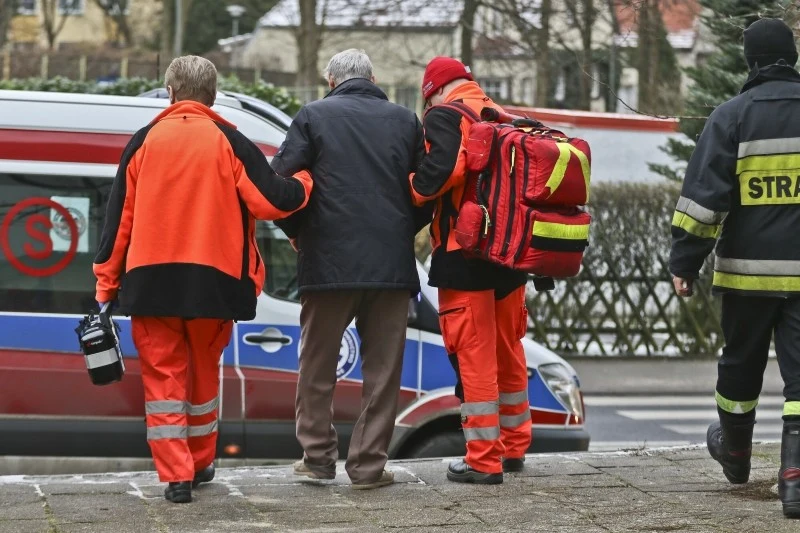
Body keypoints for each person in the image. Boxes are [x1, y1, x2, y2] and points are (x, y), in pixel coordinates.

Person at [93, 55, 312, 504]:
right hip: (215, 284)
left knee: (163, 381)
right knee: (203, 377)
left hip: (150, 284)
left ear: (170, 93)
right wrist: (307, 180)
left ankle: (176, 476)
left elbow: (118, 224)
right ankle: (199, 461)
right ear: (212, 97)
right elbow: (273, 201)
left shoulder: (143, 141)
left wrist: (105, 286)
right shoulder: (229, 140)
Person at [270, 49, 428, 490]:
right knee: (383, 372)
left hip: (327, 264)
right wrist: (402, 230)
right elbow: (426, 190)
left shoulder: (312, 116)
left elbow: (279, 185)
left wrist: (298, 232)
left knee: (317, 365)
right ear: (373, 79)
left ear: (330, 80)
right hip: (390, 267)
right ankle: (369, 467)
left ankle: (318, 458)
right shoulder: (406, 120)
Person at [669, 18, 800, 519]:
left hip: (747, 277)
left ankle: (736, 453)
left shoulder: (731, 116)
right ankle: (794, 481)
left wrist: (685, 262)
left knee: (740, 365)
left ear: (750, 61)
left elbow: (704, 202)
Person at [409, 56, 531, 484]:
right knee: (508, 351)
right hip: (510, 256)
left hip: (464, 255)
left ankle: (483, 459)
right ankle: (513, 448)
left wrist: (412, 189)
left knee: (474, 357)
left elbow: (441, 171)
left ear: (434, 91)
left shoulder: (445, 115)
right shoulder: (500, 114)